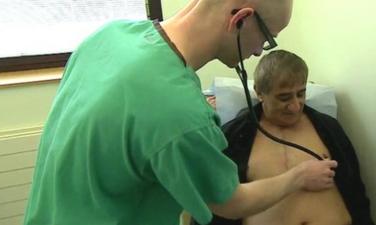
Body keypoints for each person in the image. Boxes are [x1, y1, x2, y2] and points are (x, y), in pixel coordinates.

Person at [23, 1, 338, 225]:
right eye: (267, 39)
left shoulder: (109, 36)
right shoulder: (182, 116)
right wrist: (298, 176)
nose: (259, 51)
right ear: (240, 20)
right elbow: (231, 202)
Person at [199, 50, 374, 225]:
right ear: (260, 93)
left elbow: (356, 191)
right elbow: (214, 202)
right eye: (284, 97)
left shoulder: (329, 129)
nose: (295, 106)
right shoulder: (233, 137)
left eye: (301, 94)